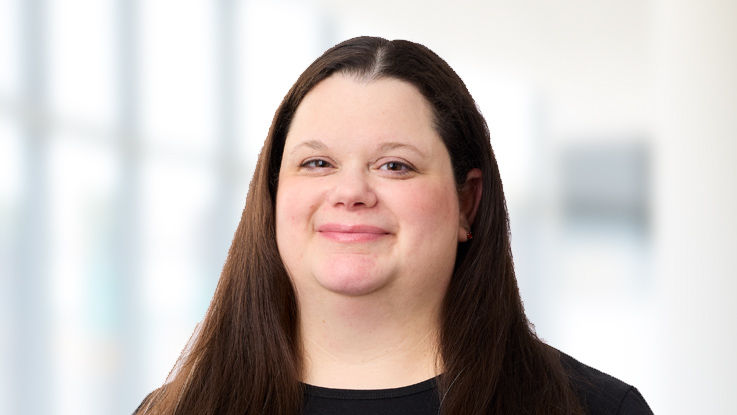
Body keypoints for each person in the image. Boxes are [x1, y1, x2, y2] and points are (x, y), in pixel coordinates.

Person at [135, 36, 653, 414]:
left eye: (395, 165)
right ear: (272, 197)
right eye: (317, 163)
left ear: (468, 204)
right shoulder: (174, 409)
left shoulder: (596, 410)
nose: (351, 193)